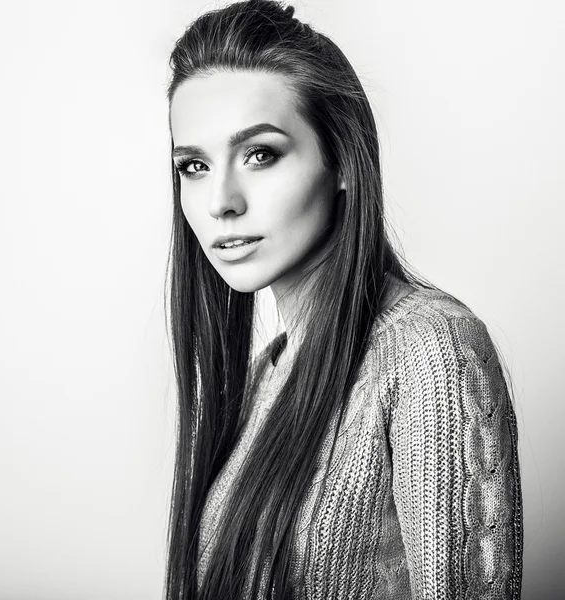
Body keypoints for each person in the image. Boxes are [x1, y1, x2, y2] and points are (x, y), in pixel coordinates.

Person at [163, 0, 524, 598]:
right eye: (194, 165)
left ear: (342, 161)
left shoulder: (431, 351)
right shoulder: (264, 376)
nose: (219, 200)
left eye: (261, 154)